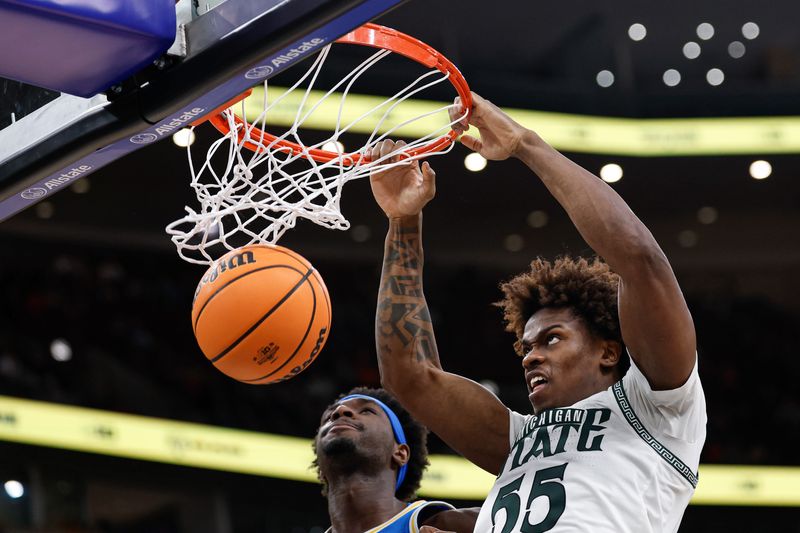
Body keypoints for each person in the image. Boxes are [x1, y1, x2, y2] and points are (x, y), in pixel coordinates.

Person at [368, 93, 707, 532]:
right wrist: (403, 221)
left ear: (607, 352)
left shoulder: (657, 410)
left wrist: (526, 145)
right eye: (526, 347)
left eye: (551, 339)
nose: (529, 357)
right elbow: (409, 376)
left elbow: (638, 260)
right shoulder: (518, 439)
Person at [313, 386, 478, 533]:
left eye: (366, 411)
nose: (340, 411)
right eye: (329, 417)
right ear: (320, 468)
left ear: (400, 453)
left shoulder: (453, 524)